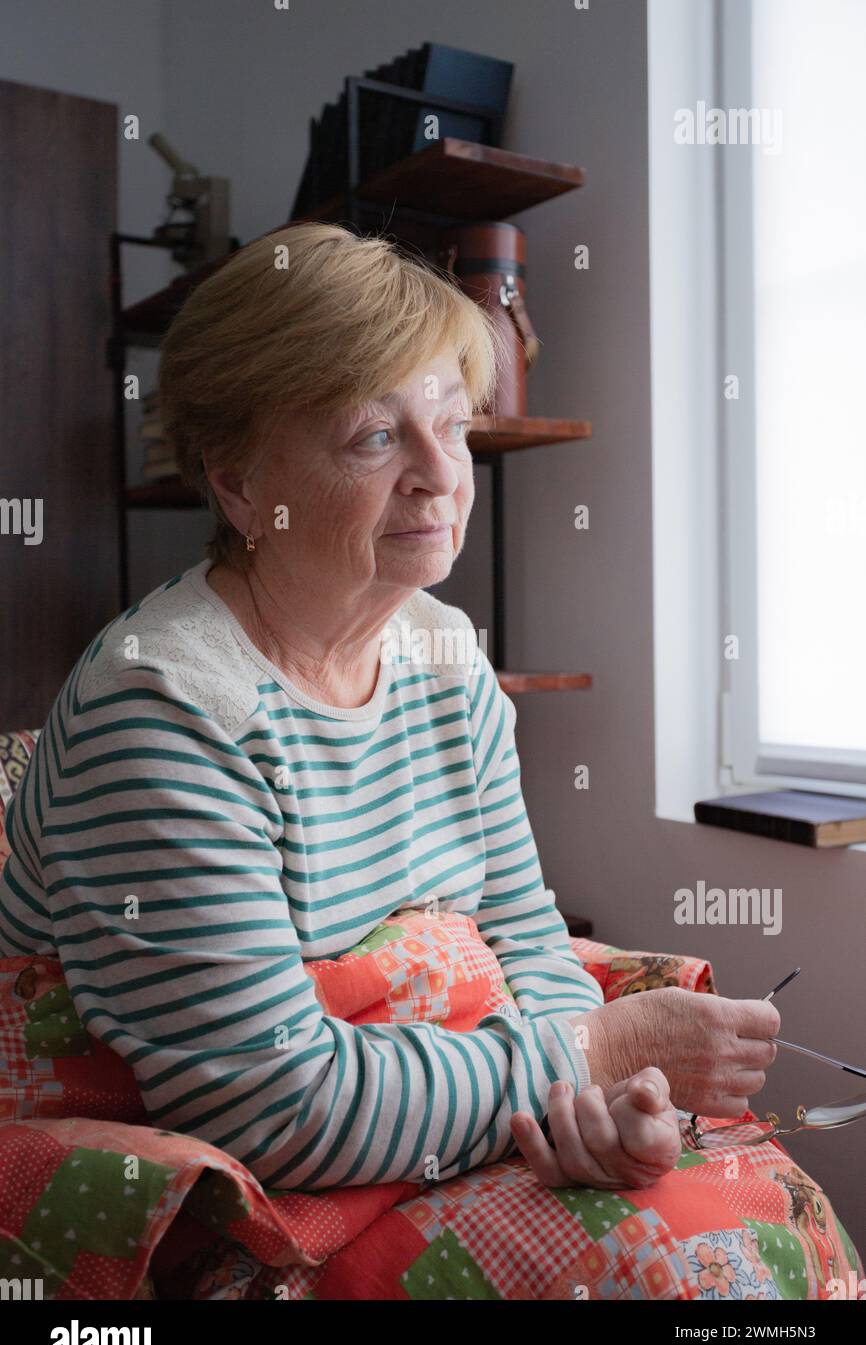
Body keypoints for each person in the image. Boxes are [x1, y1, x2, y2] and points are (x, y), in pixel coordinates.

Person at [0, 222, 779, 1192]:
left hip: (411, 1112)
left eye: (449, 422)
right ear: (238, 482)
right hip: (176, 1174)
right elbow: (271, 1108)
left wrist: (585, 1107)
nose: (441, 472)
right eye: (375, 435)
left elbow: (522, 932)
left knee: (722, 1201)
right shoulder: (161, 715)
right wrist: (588, 1053)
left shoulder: (445, 654)